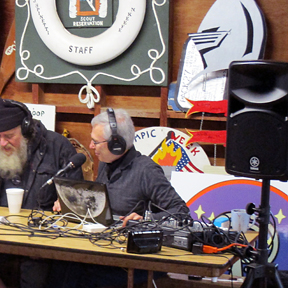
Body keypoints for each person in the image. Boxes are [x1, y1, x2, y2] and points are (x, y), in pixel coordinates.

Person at [0, 97, 82, 288]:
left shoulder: (58, 147)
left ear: (26, 129)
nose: (2, 143)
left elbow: (76, 195)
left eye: (9, 136)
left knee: (35, 261)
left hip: (38, 236)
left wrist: (65, 201)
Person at [49, 107, 190, 288]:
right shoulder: (106, 165)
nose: (91, 147)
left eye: (95, 142)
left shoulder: (146, 171)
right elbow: (103, 206)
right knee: (57, 266)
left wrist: (147, 220)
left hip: (131, 261)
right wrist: (72, 203)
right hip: (105, 250)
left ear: (117, 144)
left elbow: (182, 213)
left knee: (74, 274)